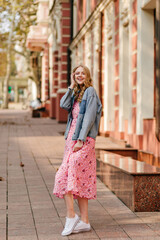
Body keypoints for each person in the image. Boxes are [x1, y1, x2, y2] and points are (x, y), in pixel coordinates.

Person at [53, 65, 102, 236]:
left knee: (64, 175)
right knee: (79, 177)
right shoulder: (76, 92)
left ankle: (71, 216)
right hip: (71, 141)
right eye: (77, 73)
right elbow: (63, 104)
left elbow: (88, 118)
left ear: (87, 75)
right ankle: (85, 221)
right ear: (74, 75)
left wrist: (81, 139)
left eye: (82, 73)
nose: (80, 75)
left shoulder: (90, 92)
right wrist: (71, 87)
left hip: (84, 141)